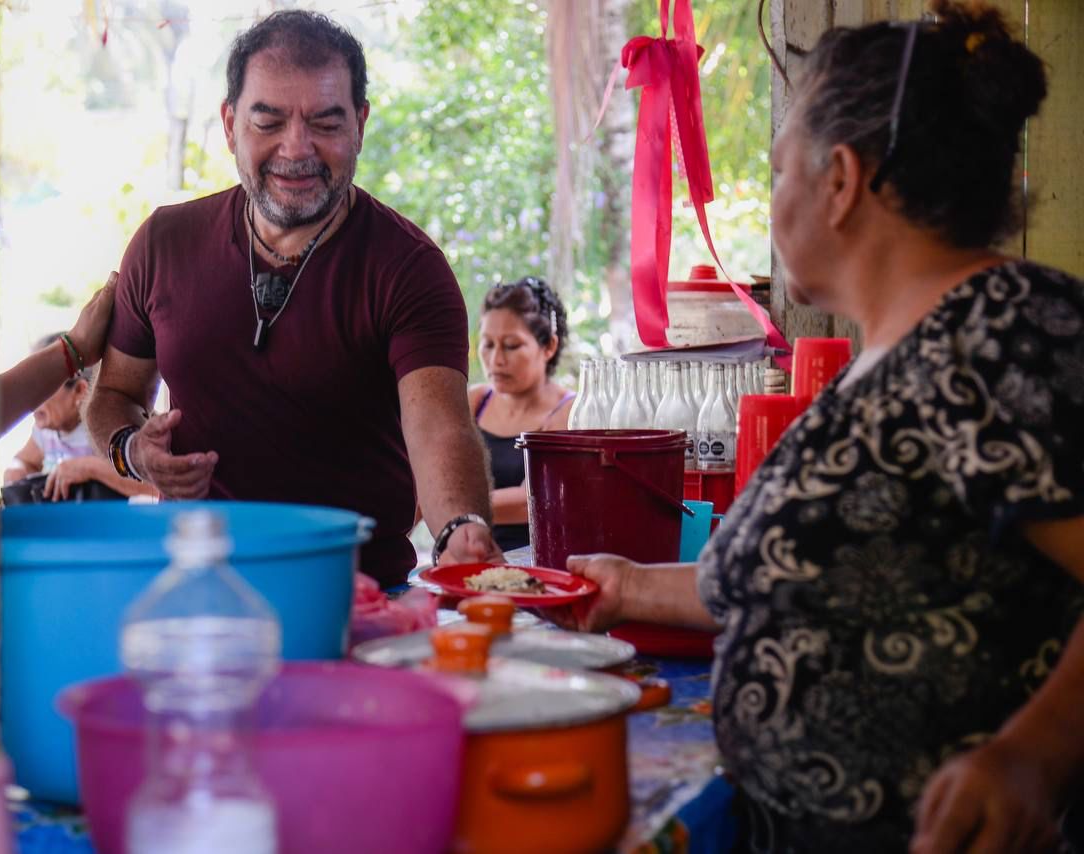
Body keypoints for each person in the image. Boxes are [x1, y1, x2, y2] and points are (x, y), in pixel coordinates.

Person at [551, 3, 1084, 851]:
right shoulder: (886, 357)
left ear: (838, 180)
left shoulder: (1005, 329)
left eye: (778, 170)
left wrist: (1034, 755)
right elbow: (812, 574)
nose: (775, 197)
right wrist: (624, 586)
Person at [85, 11, 502, 587]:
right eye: (270, 121)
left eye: (325, 122)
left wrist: (460, 529)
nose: (296, 148)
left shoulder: (409, 267)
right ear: (230, 124)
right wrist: (135, 452)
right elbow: (114, 394)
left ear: (360, 123)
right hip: (192, 590)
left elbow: (438, 426)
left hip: (356, 602)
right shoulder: (164, 241)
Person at [469, 277, 574, 551]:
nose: (496, 360)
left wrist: (450, 504)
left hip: (537, 564)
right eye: (488, 344)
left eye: (512, 345)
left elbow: (533, 499)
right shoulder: (474, 401)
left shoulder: (568, 412)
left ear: (549, 346)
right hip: (466, 559)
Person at [3, 339, 158, 502]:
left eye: (42, 388)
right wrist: (17, 471)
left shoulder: (103, 429)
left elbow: (153, 488)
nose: (32, 399)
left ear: (79, 391)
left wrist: (90, 467)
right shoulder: (46, 432)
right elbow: (25, 460)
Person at [0, 273, 116, 438]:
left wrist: (77, 345)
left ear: (80, 390)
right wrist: (76, 345)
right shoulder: (45, 435)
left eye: (46, 390)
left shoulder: (93, 435)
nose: (36, 403)